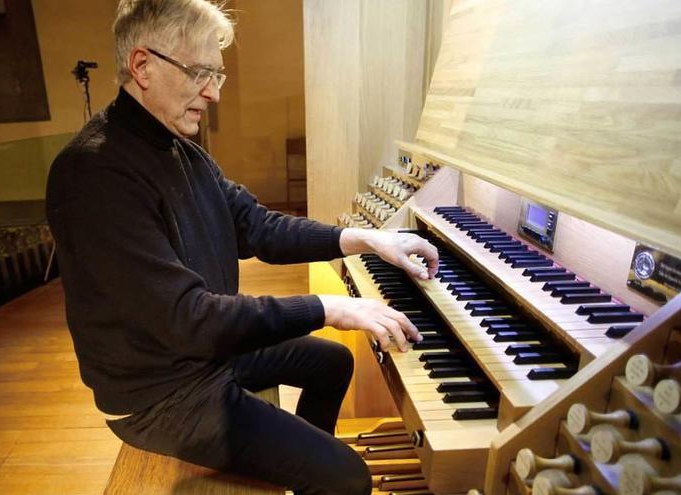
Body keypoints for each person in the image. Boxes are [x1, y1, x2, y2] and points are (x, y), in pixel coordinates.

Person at [45, 1, 438, 493]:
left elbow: (259, 227)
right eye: (199, 73)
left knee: (332, 363)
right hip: (158, 393)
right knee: (349, 477)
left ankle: (299, 469)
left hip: (199, 356)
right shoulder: (94, 173)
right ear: (142, 66)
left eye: (218, 75)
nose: (211, 92)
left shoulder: (180, 149)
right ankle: (317, 471)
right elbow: (189, 318)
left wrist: (362, 238)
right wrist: (329, 308)